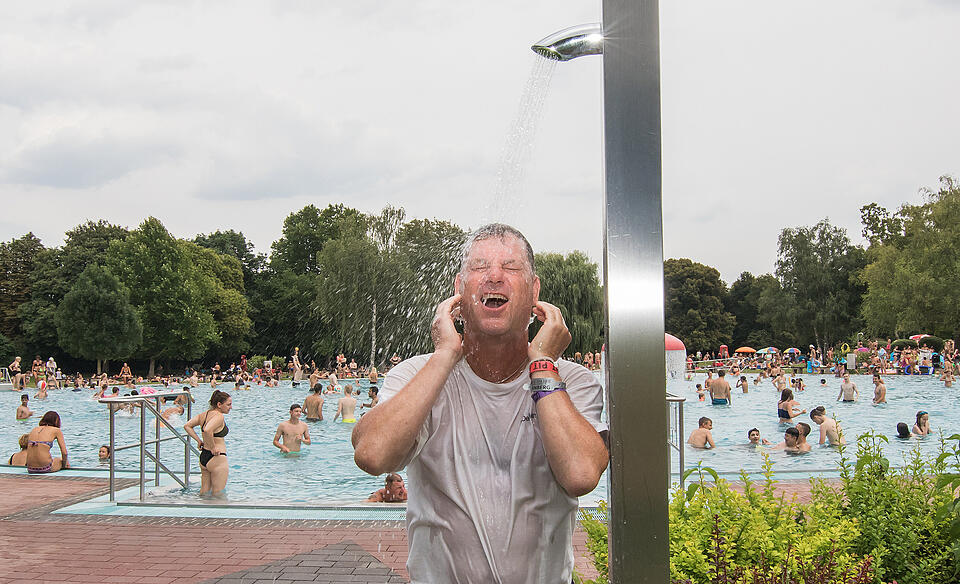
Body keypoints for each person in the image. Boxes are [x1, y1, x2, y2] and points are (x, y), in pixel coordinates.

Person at [351, 224, 608, 583]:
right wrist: (444, 356)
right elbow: (373, 456)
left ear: (534, 291)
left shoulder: (572, 382)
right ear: (458, 290)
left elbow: (580, 475)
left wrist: (543, 366)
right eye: (479, 266)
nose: (494, 277)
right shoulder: (416, 376)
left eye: (512, 267)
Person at [183, 390, 232, 496]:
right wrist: (213, 447)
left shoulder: (203, 415)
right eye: (228, 404)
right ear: (219, 404)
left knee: (204, 493)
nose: (230, 407)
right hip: (217, 458)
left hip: (204, 457)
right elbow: (207, 429)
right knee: (218, 495)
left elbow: (187, 426)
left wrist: (199, 440)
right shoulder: (219, 416)